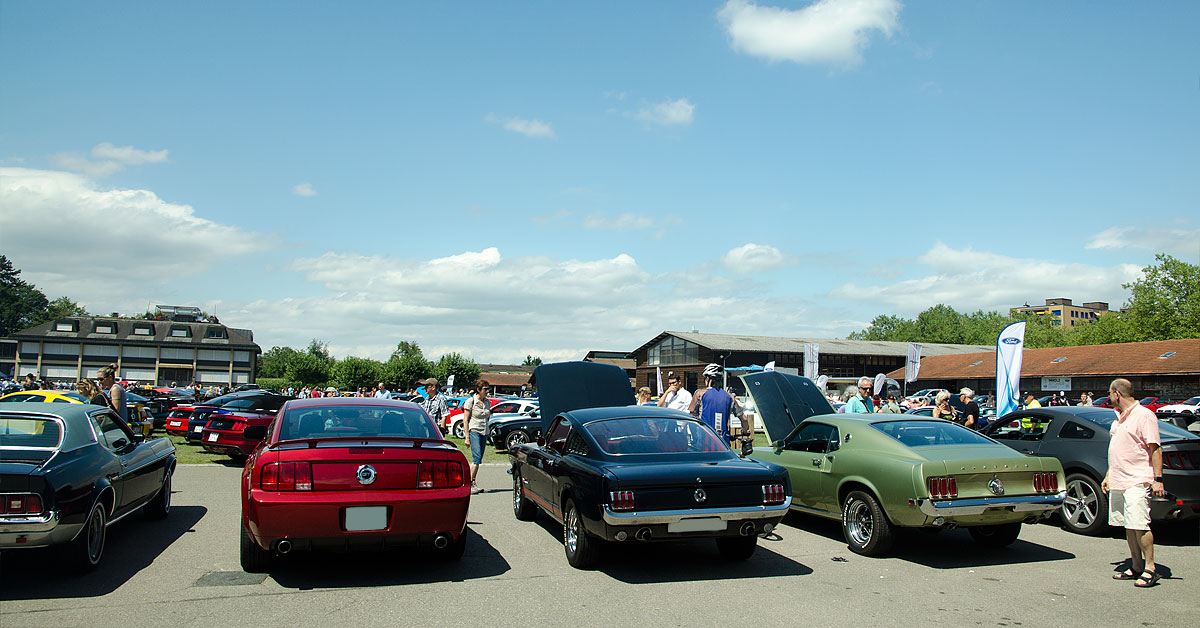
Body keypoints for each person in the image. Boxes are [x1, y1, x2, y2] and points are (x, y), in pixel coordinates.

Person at [1101, 378, 1164, 588]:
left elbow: (1155, 448)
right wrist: (1109, 475)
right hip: (1119, 479)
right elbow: (1117, 450)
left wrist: (1158, 480)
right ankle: (1136, 566)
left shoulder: (1144, 415)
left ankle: (1150, 568)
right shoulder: (1119, 418)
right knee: (1128, 525)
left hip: (1137, 479)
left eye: (1110, 393)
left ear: (1116, 394)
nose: (1109, 397)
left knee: (1139, 524)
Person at [688, 364, 743, 445]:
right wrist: (745, 431)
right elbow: (744, 419)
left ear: (707, 379)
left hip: (704, 440)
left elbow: (691, 417)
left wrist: (694, 437)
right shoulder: (730, 397)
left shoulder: (700, 393)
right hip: (723, 443)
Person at [461, 379, 492, 494]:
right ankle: (467, 484)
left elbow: (487, 417)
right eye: (485, 389)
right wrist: (467, 437)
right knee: (476, 457)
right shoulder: (471, 401)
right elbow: (465, 420)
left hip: (484, 432)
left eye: (488, 389)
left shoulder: (487, 402)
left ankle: (472, 481)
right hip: (474, 430)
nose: (487, 391)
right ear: (478, 389)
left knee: (478, 459)